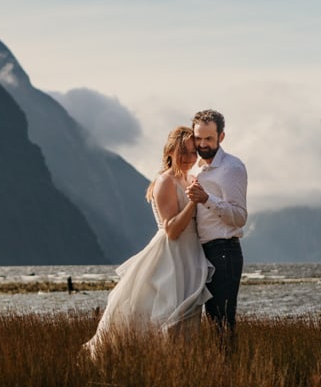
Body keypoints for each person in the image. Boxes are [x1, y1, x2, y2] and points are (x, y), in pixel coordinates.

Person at [83, 126, 212, 356]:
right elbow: (171, 229)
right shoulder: (165, 181)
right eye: (184, 151)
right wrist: (193, 202)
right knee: (165, 315)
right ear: (171, 150)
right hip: (171, 257)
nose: (189, 158)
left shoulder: (190, 179)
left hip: (191, 256)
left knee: (187, 319)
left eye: (194, 153)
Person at [184, 109, 248, 335]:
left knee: (222, 324)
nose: (202, 144)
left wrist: (206, 199)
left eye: (208, 138)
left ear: (221, 137)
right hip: (200, 252)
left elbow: (240, 217)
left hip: (224, 251)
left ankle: (229, 369)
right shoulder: (195, 168)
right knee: (210, 323)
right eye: (198, 138)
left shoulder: (232, 168)